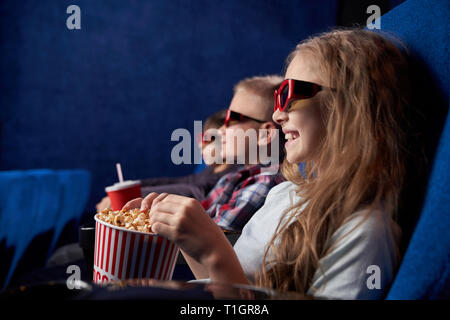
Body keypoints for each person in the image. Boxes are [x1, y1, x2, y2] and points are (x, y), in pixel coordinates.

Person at [124, 29, 412, 300]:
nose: (278, 114)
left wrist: (214, 250)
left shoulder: (363, 231)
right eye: (277, 98)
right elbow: (225, 282)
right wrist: (187, 239)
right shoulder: (284, 195)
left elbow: (232, 283)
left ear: (350, 107)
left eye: (290, 94)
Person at [125, 75, 286, 232]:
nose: (222, 129)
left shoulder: (265, 182)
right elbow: (203, 214)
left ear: (264, 134)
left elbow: (209, 235)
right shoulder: (233, 176)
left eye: (233, 119)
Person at [96, 109, 238, 211]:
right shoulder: (212, 168)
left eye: (208, 139)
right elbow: (183, 181)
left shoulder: (233, 170)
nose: (200, 145)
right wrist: (133, 186)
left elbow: (194, 191)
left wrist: (129, 196)